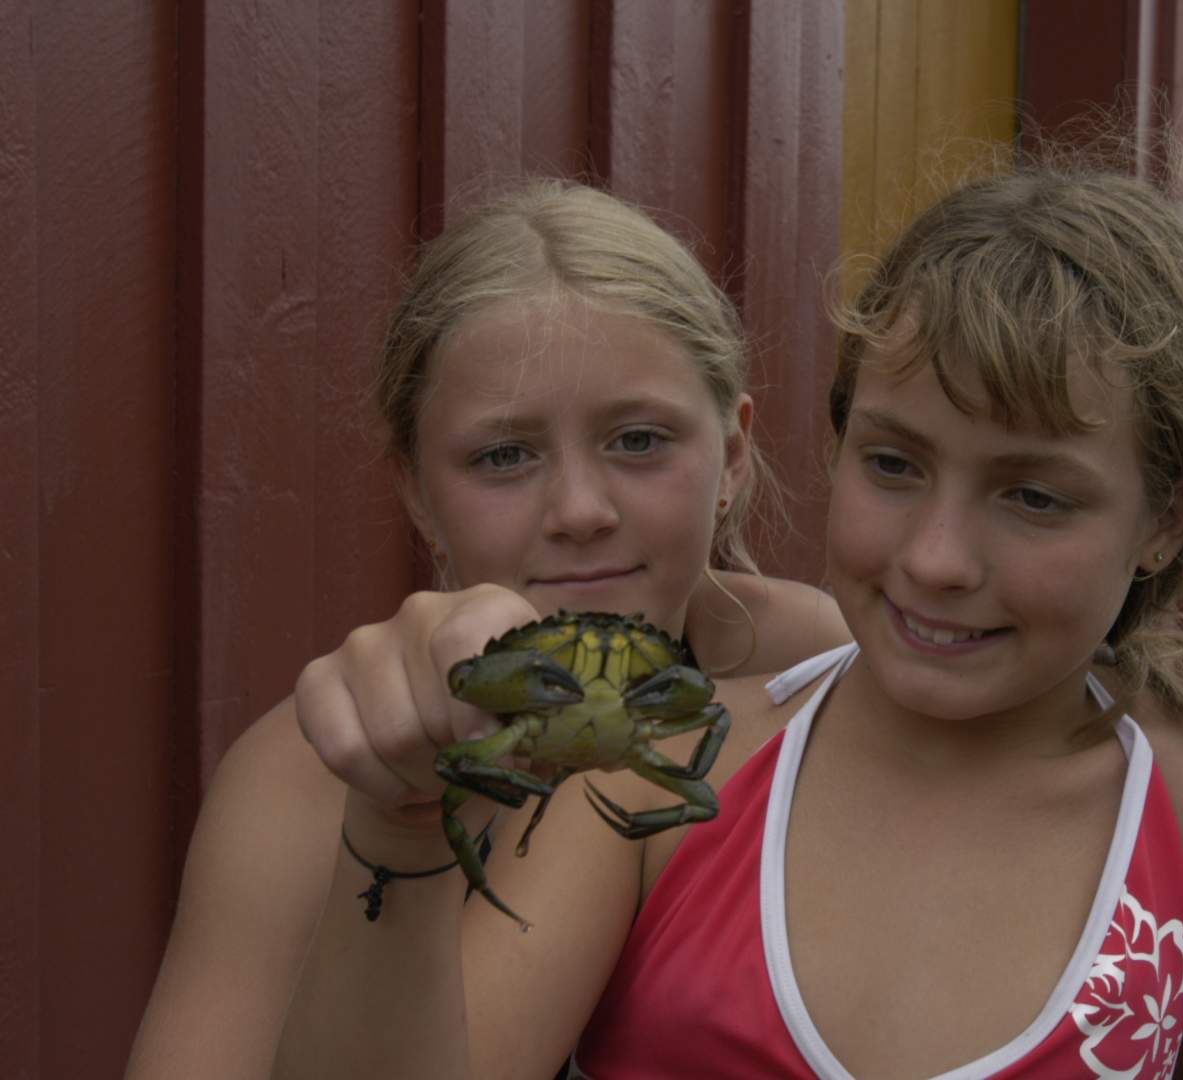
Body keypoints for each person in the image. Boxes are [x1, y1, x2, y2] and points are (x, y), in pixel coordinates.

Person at [267, 164, 1183, 1079]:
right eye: (893, 464)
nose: (935, 558)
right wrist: (401, 822)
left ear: (1169, 516)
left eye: (1035, 496)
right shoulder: (654, 773)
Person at [125, 179, 849, 1080]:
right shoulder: (317, 775)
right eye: (504, 456)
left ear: (733, 454)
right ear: (417, 493)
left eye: (639, 441)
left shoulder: (816, 666)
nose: (581, 510)